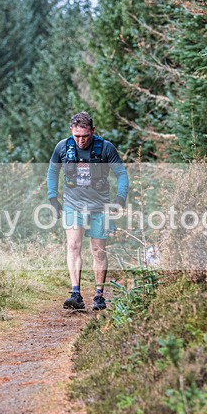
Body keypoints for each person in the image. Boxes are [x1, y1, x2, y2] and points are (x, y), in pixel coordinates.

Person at [46, 112, 129, 311]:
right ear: (71, 132)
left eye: (85, 136)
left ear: (92, 131)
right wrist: (52, 198)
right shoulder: (63, 147)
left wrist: (120, 199)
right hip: (72, 205)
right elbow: (52, 170)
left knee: (98, 251)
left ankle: (99, 295)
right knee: (73, 246)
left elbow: (121, 174)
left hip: (100, 208)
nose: (81, 141)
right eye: (77, 136)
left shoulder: (106, 148)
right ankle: (76, 294)